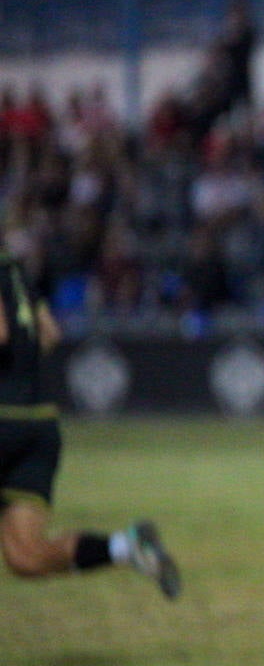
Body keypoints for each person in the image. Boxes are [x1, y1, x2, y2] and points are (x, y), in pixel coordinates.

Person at [0, 251, 180, 598]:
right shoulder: (15, 271)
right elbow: (49, 333)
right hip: (39, 426)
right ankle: (127, 548)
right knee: (26, 556)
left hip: (4, 420)